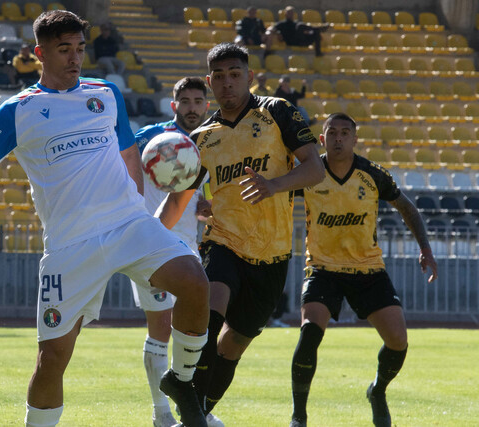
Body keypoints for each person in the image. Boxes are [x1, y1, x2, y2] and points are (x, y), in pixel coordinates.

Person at [0, 10, 210, 427]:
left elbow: (129, 157)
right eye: (64, 49)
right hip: (72, 245)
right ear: (40, 53)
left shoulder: (106, 93)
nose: (75, 58)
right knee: (52, 358)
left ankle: (181, 382)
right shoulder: (17, 111)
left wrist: (137, 210)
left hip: (128, 224)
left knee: (195, 282)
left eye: (80, 49)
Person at [156, 42, 325, 422]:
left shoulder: (276, 112)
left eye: (234, 75)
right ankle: (183, 387)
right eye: (218, 76)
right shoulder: (201, 136)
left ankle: (196, 412)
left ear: (249, 77)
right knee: (210, 312)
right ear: (211, 81)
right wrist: (145, 241)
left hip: (273, 253)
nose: (226, 83)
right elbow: (177, 201)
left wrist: (274, 185)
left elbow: (315, 169)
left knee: (232, 346)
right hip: (222, 241)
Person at [288, 113, 438, 427]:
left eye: (345, 133)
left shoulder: (372, 174)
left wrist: (425, 248)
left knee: (398, 340)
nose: (339, 139)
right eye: (333, 133)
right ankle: (299, 417)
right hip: (322, 268)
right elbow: (273, 193)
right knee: (309, 332)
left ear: (355, 139)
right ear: (322, 139)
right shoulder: (308, 174)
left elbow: (407, 207)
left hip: (367, 269)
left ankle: (378, 391)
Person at [131, 77, 215, 427]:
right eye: (186, 100)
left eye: (199, 100)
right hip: (152, 245)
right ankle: (160, 413)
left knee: (192, 330)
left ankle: (190, 410)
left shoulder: (207, 141)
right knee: (161, 328)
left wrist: (205, 205)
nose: (193, 107)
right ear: (174, 104)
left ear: (206, 106)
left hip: (188, 247)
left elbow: (196, 190)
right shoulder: (149, 137)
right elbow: (118, 163)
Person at [264, 6, 329, 57]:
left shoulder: (296, 22)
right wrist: (275, 32)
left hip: (302, 40)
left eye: (292, 12)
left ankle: (318, 52)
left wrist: (311, 33)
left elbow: (305, 31)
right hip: (293, 41)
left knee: (315, 32)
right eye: (289, 12)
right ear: (286, 14)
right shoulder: (282, 24)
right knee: (301, 26)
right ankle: (319, 29)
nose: (291, 14)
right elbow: (273, 28)